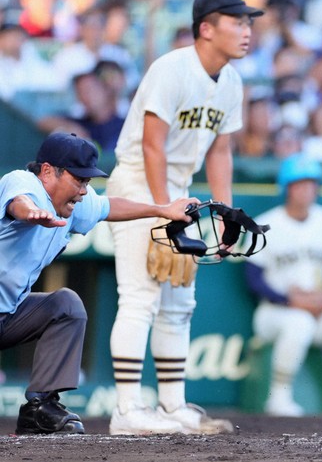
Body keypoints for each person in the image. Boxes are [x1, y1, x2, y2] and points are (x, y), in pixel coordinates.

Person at [105, 0, 264, 436]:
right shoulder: (172, 68)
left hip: (179, 191)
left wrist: (225, 210)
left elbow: (220, 151)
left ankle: (171, 406)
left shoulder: (231, 80)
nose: (247, 30)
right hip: (140, 182)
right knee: (140, 297)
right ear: (206, 28)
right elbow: (152, 146)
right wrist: (161, 209)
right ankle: (126, 410)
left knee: (179, 302)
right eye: (238, 21)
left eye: (248, 21)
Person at [0, 132, 197, 434]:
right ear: (48, 171)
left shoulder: (74, 201)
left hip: (7, 315)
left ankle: (40, 408)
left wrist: (162, 210)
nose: (83, 191)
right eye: (78, 180)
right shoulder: (25, 183)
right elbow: (19, 202)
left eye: (86, 182)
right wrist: (31, 213)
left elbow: (107, 206)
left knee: (66, 306)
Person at [245, 155, 322, 419]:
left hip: (319, 308)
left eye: (310, 183)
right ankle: (279, 396)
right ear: (286, 187)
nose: (305, 190)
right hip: (275, 311)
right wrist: (288, 300)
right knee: (298, 322)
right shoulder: (266, 224)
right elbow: (253, 279)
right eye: (298, 184)